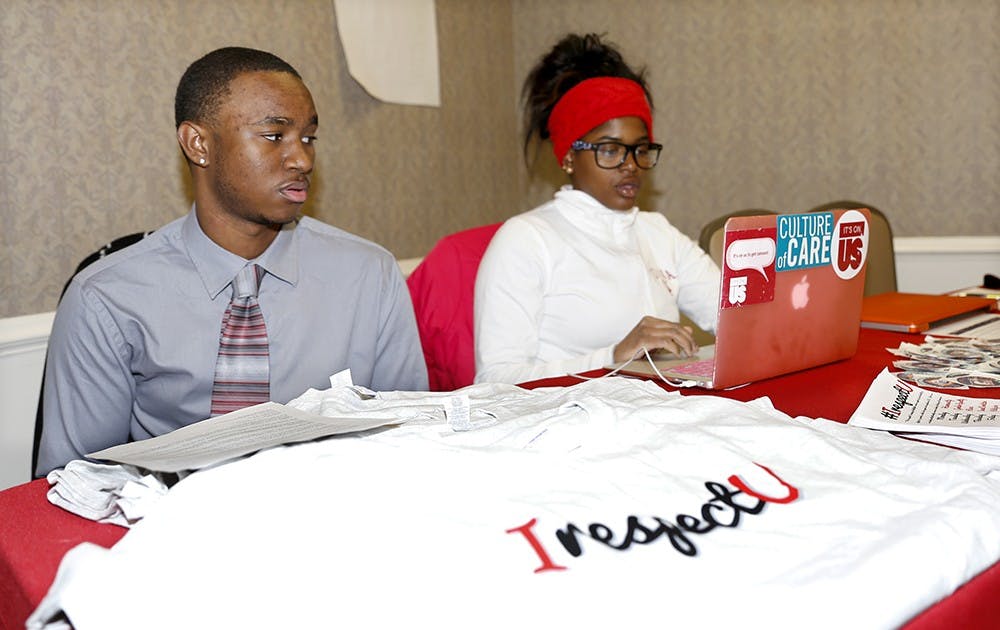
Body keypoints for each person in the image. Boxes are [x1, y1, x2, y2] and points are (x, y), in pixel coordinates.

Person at [36, 47, 428, 476]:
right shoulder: (107, 298)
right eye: (275, 136)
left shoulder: (370, 274)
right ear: (198, 144)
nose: (302, 159)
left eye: (309, 138)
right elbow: (75, 481)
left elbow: (411, 438)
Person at [474, 33, 721, 384]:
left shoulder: (658, 233)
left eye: (640, 149)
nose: (630, 165)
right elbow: (494, 381)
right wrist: (611, 357)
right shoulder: (526, 240)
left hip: (655, 413)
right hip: (564, 424)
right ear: (570, 157)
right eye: (609, 150)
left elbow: (735, 317)